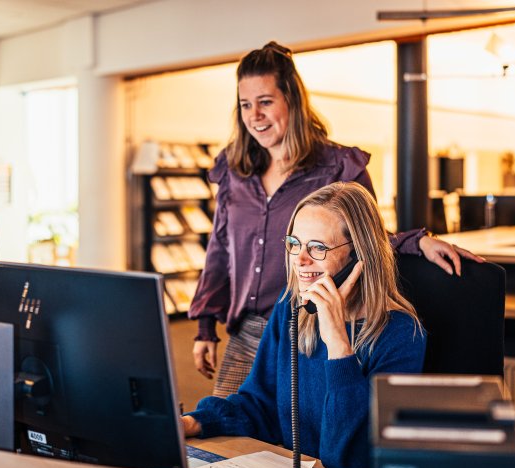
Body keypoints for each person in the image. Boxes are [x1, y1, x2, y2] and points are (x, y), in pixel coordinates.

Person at [189, 41, 479, 398]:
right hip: (246, 333)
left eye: (265, 102)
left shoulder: (337, 167)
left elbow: (365, 236)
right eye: (245, 105)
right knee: (228, 433)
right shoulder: (235, 171)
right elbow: (220, 251)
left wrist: (414, 241)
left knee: (302, 441)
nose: (254, 116)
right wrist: (205, 327)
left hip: (310, 325)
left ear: (292, 101)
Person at [183, 182, 426, 468]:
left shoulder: (401, 333)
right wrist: (194, 422)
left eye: (318, 247)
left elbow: (353, 458)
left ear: (360, 256)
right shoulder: (292, 308)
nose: (300, 259)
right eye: (294, 243)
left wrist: (338, 344)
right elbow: (260, 404)